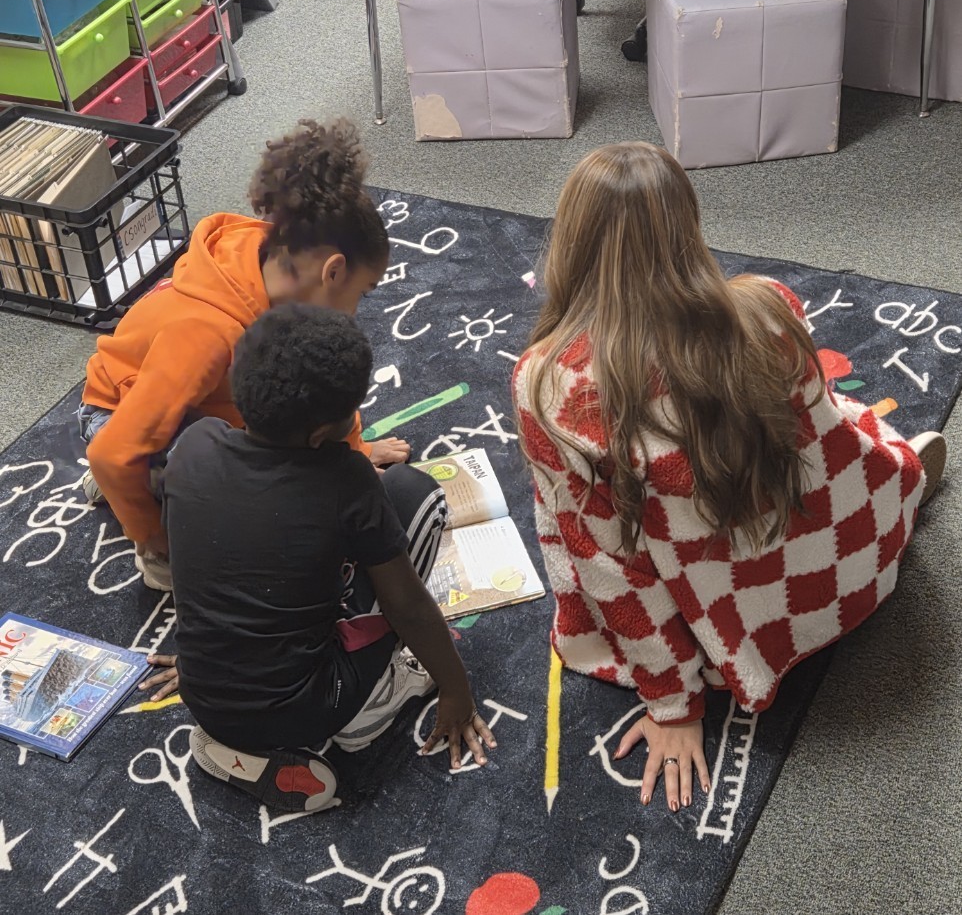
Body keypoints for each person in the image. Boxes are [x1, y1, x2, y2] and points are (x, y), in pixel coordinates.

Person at [512, 142, 947, 814]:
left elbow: (609, 568)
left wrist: (673, 705)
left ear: (570, 242)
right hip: (858, 558)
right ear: (688, 226)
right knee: (831, 418)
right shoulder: (769, 306)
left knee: (570, 511)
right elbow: (819, 439)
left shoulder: (550, 383)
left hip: (729, 637)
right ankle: (906, 475)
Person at [139, 304, 496, 812]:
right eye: (351, 415)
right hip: (311, 708)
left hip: (204, 693)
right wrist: (456, 690)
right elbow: (409, 609)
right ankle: (370, 708)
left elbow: (212, 559)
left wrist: (214, 659)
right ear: (318, 433)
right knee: (415, 493)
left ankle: (245, 742)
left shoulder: (195, 446)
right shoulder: (346, 480)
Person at [79, 118, 410, 592]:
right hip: (116, 416)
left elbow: (326, 383)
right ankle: (155, 531)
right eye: (364, 291)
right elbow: (112, 453)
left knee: (287, 435)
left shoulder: (277, 260)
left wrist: (353, 452)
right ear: (334, 272)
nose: (357, 311)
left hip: (192, 397)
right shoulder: (206, 333)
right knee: (247, 499)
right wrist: (155, 535)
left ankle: (144, 481)